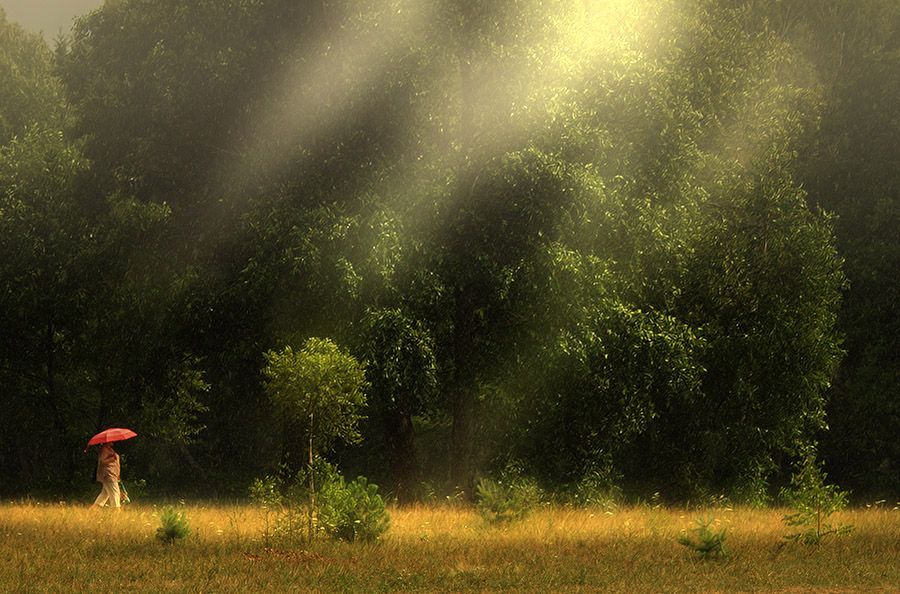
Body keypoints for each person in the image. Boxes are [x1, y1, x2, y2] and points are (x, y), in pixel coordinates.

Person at [93, 442, 121, 510]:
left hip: (113, 474)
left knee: (105, 493)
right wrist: (112, 457)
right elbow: (103, 461)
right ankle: (117, 510)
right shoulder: (104, 449)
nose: (113, 441)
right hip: (108, 474)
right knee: (115, 491)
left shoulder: (109, 449)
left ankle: (94, 509)